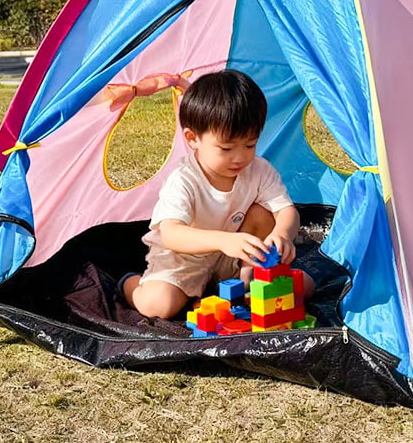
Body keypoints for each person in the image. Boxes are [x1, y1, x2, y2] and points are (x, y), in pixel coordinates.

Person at [122, 69, 314, 319]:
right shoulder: (184, 179)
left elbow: (286, 211)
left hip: (235, 256)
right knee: (159, 306)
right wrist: (224, 241)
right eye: (226, 148)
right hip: (185, 260)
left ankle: (245, 281)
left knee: (304, 286)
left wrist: (282, 234)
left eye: (250, 144)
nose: (240, 157)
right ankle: (131, 284)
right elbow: (171, 234)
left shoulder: (258, 170)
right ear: (193, 138)